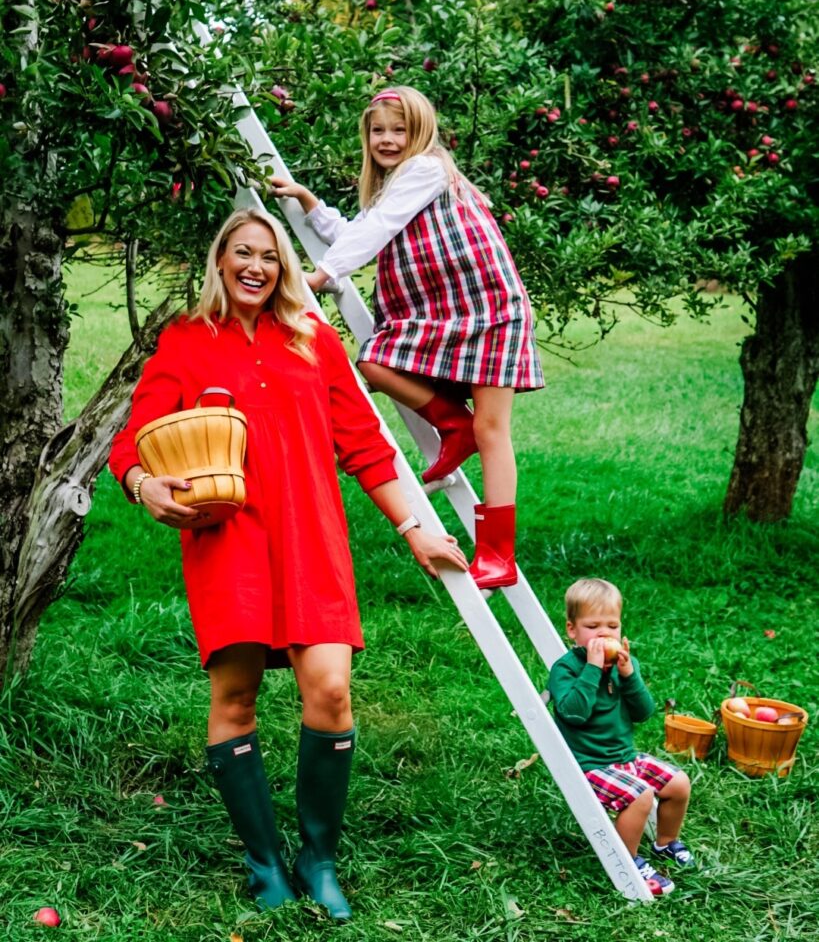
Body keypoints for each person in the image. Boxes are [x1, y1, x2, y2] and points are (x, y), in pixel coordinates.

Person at [109, 208, 468, 921]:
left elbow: (365, 445)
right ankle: (264, 861)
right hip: (228, 543)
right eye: (242, 253)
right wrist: (145, 485)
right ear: (220, 261)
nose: (255, 266)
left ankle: (319, 857)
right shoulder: (185, 342)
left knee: (330, 691)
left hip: (312, 540)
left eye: (269, 257)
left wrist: (413, 528)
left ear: (282, 269)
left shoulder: (313, 341)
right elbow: (134, 443)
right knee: (235, 698)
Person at [268, 85, 544, 591]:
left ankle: (498, 553)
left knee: (492, 429)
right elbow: (370, 226)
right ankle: (450, 426)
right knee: (375, 361)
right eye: (378, 131)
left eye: (400, 130)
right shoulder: (396, 186)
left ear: (421, 134)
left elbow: (378, 228)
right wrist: (313, 207)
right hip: (448, 314)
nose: (388, 140)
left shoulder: (429, 168)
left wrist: (323, 275)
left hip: (491, 307)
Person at [548, 578, 694, 897]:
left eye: (612, 625)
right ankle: (628, 861)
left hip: (624, 757)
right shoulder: (566, 670)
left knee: (679, 783)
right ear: (572, 630)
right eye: (593, 626)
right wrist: (592, 669)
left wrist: (629, 676)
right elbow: (573, 713)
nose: (604, 634)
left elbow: (643, 712)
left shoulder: (624, 665)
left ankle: (665, 842)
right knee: (640, 795)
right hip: (589, 765)